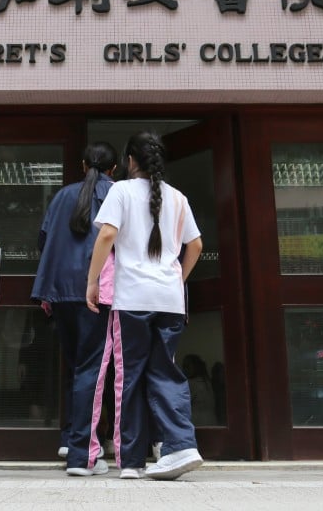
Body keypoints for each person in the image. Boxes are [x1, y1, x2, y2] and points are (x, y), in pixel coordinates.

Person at [86, 131, 204, 481]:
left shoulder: (120, 190)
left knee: (129, 377)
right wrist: (176, 280)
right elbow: (195, 245)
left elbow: (107, 235)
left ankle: (133, 461)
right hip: (168, 299)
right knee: (165, 370)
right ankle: (181, 445)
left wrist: (92, 282)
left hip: (132, 299)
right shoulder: (179, 197)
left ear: (130, 161)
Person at [31, 142, 117, 477]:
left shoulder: (62, 196)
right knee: (92, 371)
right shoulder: (117, 194)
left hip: (58, 291)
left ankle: (71, 437)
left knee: (76, 367)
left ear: (83, 165)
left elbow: (43, 239)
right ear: (114, 169)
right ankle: (83, 454)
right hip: (96, 291)